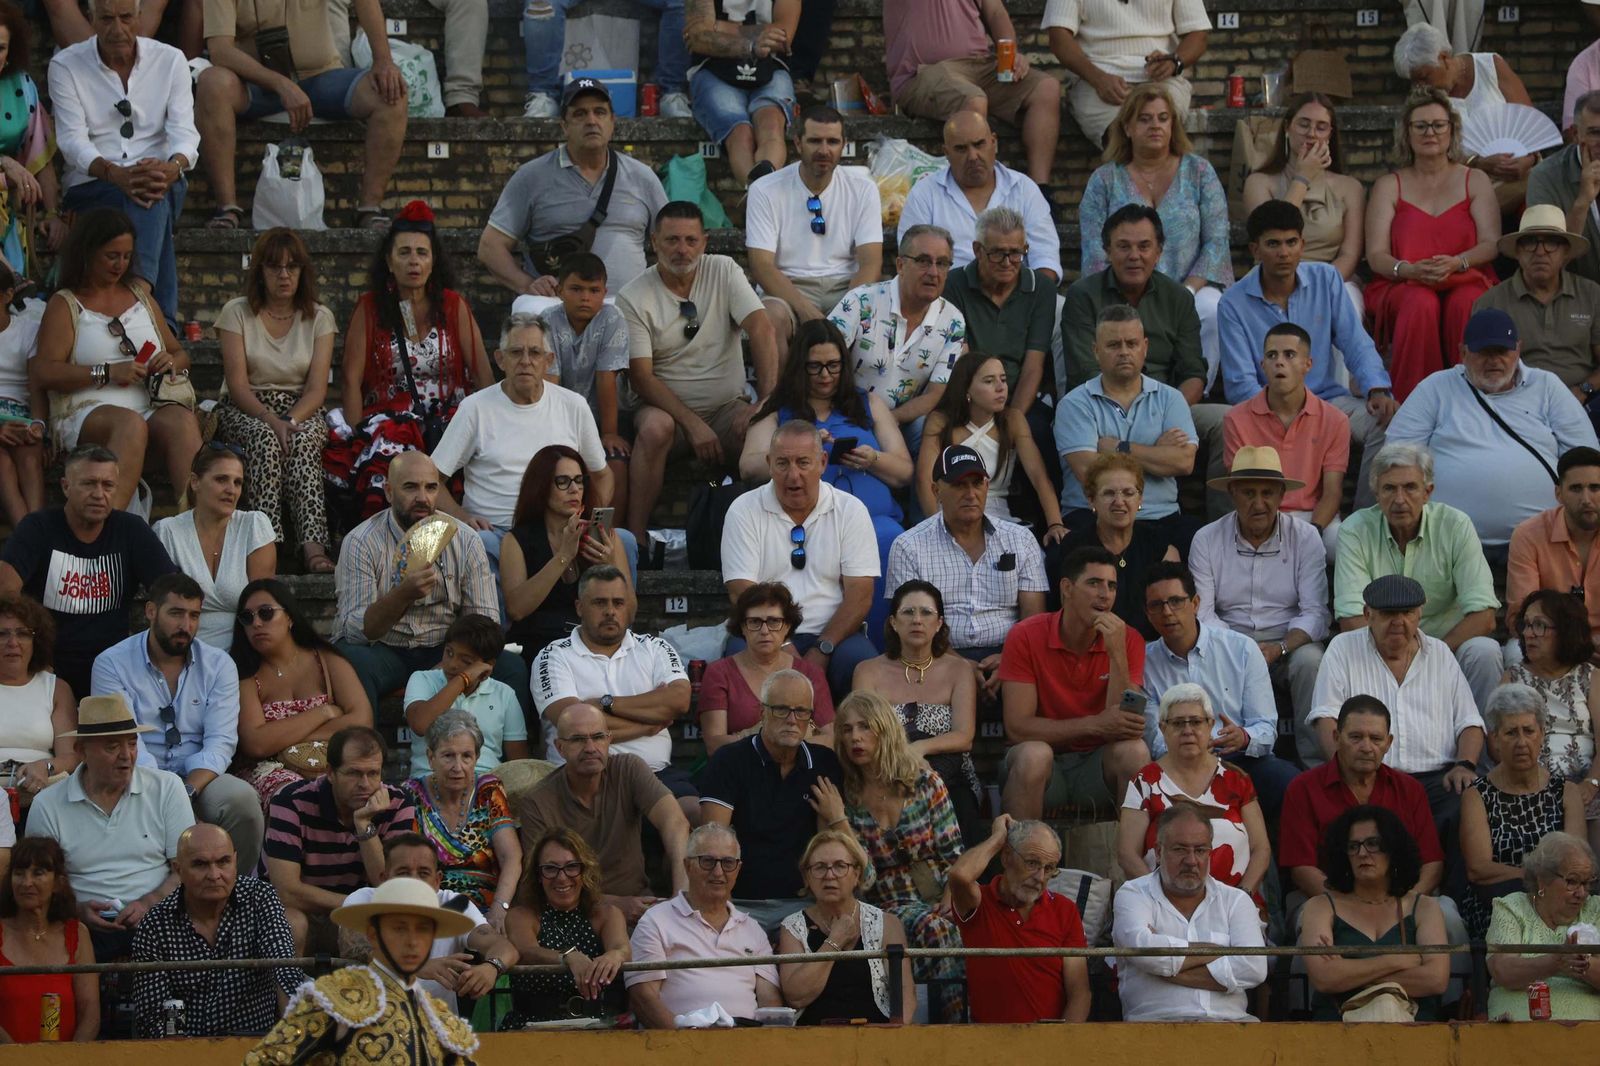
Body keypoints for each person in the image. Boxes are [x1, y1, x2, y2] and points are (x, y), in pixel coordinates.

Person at [618, 201, 779, 544]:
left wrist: (765, 402)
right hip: (668, 414)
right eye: (672, 240)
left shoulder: (724, 270)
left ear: (705, 242)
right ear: (654, 242)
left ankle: (769, 538)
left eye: (691, 240)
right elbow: (641, 377)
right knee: (654, 428)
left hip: (727, 408)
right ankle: (635, 539)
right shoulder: (632, 296)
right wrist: (692, 424)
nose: (682, 249)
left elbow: (762, 329)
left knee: (765, 437)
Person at [1217, 205, 1396, 513]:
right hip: (1269, 409)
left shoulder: (1326, 279)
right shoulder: (1232, 303)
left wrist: (1376, 388)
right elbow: (1240, 384)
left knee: (1387, 424)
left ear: (1302, 244)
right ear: (1255, 249)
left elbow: (1356, 343)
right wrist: (1283, 414)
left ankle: (1367, 523)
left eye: (1291, 242)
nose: (1284, 253)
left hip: (1329, 403)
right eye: (1273, 244)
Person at [328, 202, 495, 520]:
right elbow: (351, 379)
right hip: (389, 417)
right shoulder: (370, 307)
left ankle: (453, 535)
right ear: (389, 262)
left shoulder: (453, 305)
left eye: (422, 252)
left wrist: (491, 426)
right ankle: (384, 541)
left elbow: (482, 374)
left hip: (449, 416)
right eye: (404, 253)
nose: (414, 261)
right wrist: (357, 437)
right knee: (386, 450)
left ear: (434, 261)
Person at [89, 572, 263, 874]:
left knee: (242, 801)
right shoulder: (112, 663)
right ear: (151, 611)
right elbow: (125, 742)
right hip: (135, 776)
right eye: (176, 613)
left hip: (200, 778)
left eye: (194, 615)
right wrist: (169, 794)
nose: (186, 626)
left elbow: (221, 742)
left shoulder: (219, 664)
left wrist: (188, 791)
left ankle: (239, 894)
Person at [330, 450, 524, 720]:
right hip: (387, 650)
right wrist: (402, 595)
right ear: (388, 492)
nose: (422, 498)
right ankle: (365, 754)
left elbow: (485, 621)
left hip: (448, 646)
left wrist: (454, 659)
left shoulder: (466, 540)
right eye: (410, 487)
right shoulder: (361, 541)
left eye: (431, 487)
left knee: (511, 667)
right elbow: (356, 631)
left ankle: (505, 759)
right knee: (350, 660)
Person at [809, 691, 966, 1022]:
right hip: (882, 907)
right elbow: (863, 880)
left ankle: (946, 1025)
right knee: (933, 930)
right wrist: (838, 820)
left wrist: (951, 904)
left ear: (885, 730)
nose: (855, 737)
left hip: (939, 900)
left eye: (865, 727)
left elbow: (954, 855)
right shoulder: (844, 800)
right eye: (847, 729)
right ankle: (943, 1022)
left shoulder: (924, 782)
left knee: (946, 928)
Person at [1386, 307, 1598, 551]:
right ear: (1462, 352)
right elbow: (1396, 457)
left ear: (1518, 349)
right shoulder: (1436, 387)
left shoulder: (1547, 386)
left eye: (1502, 351)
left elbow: (1587, 458)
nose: (1494, 360)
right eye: (1484, 352)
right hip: (1448, 543)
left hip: (1543, 543)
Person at [30, 209, 200, 510]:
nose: (120, 264)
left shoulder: (141, 296)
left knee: (182, 421)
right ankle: (111, 532)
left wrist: (169, 362)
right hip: (85, 411)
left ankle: (199, 524)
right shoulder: (66, 303)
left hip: (148, 405)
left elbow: (180, 352)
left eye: (126, 256)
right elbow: (43, 372)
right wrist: (106, 373)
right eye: (111, 256)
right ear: (89, 252)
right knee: (130, 425)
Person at [430, 311, 621, 571]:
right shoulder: (475, 408)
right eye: (516, 352)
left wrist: (593, 522)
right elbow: (432, 481)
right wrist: (463, 518)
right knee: (479, 543)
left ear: (548, 361)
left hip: (562, 532)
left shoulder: (573, 406)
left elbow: (603, 475)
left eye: (535, 353)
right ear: (500, 359)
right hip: (497, 532)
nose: (525, 361)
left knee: (626, 544)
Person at [194, 0, 407, 231]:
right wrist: (281, 84)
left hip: (321, 75)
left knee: (391, 94)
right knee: (212, 83)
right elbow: (220, 51)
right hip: (256, 82)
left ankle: (370, 208)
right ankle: (227, 208)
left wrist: (383, 60)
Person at [740, 318, 914, 599]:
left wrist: (873, 459)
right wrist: (802, 449)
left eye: (834, 365)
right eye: (815, 366)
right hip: (803, 523)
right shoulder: (776, 407)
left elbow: (905, 472)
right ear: (799, 367)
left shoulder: (867, 403)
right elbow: (748, 467)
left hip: (872, 520)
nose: (825, 375)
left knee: (889, 538)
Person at [47, 0, 197, 326]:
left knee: (149, 183)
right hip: (93, 184)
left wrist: (173, 166)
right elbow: (72, 141)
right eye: (107, 19)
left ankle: (138, 302)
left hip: (162, 177)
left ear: (140, 17)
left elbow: (185, 134)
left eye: (126, 18)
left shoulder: (170, 60)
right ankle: (156, 317)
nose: (118, 29)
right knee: (149, 197)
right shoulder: (66, 64)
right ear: (90, 19)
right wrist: (116, 174)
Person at [1078, 85, 1231, 386]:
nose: (1155, 125)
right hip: (1123, 288)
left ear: (1173, 124)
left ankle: (1198, 392)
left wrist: (1187, 290)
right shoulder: (1105, 179)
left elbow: (1217, 240)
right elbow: (1095, 249)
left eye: (1163, 118)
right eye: (1145, 119)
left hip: (1192, 287)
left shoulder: (1199, 171)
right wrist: (1123, 289)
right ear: (1128, 127)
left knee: (1212, 310)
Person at [1310, 575, 1486, 834]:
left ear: (1420, 613)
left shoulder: (1440, 652)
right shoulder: (1342, 648)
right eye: (1388, 613)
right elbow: (1326, 718)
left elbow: (1469, 722)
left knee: (1468, 809)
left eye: (1407, 612)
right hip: (1372, 778)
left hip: (1438, 780)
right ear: (1368, 614)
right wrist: (1347, 774)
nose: (1398, 622)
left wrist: (1465, 765)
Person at [1334, 443, 1504, 710]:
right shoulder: (1355, 530)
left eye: (1410, 487)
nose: (1400, 499)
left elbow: (1484, 615)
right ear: (1376, 493)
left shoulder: (1455, 525)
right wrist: (1393, 653)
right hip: (1380, 646)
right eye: (1389, 488)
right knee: (1345, 650)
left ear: (1428, 492)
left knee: (1485, 651)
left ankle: (1480, 751)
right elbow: (1351, 617)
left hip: (1447, 645)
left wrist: (1431, 655)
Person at [1189, 446, 1331, 764]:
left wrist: (1278, 647)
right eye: (1248, 492)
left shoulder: (1306, 537)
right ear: (1232, 493)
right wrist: (1244, 650)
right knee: (1204, 653)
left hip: (1288, 645)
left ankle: (1314, 766)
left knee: (1311, 662)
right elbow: (1204, 612)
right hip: (1228, 642)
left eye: (1268, 492)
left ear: (1281, 495)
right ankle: (1219, 762)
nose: (1258, 503)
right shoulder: (1206, 539)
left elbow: (1316, 613)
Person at [26, 693, 194, 960]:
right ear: (81, 751)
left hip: (159, 920)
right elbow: (38, 882)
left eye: (132, 744)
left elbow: (186, 869)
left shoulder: (167, 787)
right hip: (77, 926)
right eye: (112, 747)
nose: (126, 756)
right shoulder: (48, 804)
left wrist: (147, 904)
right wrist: (77, 910)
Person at [242, 877, 479, 1065]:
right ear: (374, 935)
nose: (413, 941)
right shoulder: (329, 1003)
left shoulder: (442, 1022)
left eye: (422, 930)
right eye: (399, 929)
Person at [0, 445, 175, 697]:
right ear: (65, 486)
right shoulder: (39, 528)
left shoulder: (130, 530)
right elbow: (6, 592)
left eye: (108, 485)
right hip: (47, 667)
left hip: (113, 669)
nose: (99, 494)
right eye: (89, 484)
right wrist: (34, 657)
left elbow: (170, 591)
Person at [722, 420, 881, 696]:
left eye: (803, 463)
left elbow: (861, 595)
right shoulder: (743, 510)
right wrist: (783, 647)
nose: (793, 475)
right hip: (764, 630)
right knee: (740, 657)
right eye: (782, 463)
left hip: (834, 635)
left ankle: (847, 739)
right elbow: (741, 591)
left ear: (822, 462)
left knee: (862, 663)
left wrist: (823, 648)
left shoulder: (851, 510)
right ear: (769, 463)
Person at [1363, 88, 1500, 402]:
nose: (1430, 132)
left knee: (1466, 301)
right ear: (1407, 133)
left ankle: (1475, 403)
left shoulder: (1474, 179)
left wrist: (1458, 262)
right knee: (1420, 302)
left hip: (1465, 275)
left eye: (1438, 125)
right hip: (1404, 281)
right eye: (1421, 125)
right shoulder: (1389, 185)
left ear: (1451, 130)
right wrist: (1407, 268)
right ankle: (1413, 404)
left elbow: (1492, 243)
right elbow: (1376, 255)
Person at [212, 229, 337, 572]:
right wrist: (271, 419)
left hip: (301, 407)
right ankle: (267, 547)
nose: (284, 275)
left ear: (302, 272)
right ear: (260, 272)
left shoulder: (319, 316)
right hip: (247, 407)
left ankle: (313, 548)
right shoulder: (236, 312)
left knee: (302, 441)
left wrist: (291, 421)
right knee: (267, 439)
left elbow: (316, 390)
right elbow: (237, 386)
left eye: (292, 267)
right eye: (274, 267)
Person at [482, 79, 670, 300]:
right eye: (580, 114)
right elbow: (490, 246)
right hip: (555, 310)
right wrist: (528, 285)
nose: (591, 121)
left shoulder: (642, 176)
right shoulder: (531, 176)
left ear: (612, 122)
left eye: (599, 112)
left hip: (627, 310)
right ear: (564, 125)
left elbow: (672, 240)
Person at [533, 565, 696, 817]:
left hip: (655, 774)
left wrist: (604, 704)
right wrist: (647, 725)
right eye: (600, 602)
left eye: (618, 603)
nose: (610, 611)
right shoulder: (553, 655)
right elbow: (575, 729)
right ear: (579, 607)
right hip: (581, 778)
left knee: (695, 814)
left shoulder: (655, 647)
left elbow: (679, 700)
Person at [1139, 562, 1298, 818]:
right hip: (1179, 766)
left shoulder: (1242, 649)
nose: (1167, 612)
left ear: (1195, 603)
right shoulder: (1145, 663)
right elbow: (1156, 740)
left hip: (1239, 757)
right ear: (1147, 614)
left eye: (1176, 601)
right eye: (1156, 605)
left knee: (1290, 784)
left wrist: (1244, 737)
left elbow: (1266, 728)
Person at [1000, 545, 1148, 818]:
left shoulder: (1128, 639)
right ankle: (1021, 856)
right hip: (1043, 767)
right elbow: (1017, 728)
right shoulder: (1025, 635)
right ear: (1067, 588)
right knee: (1034, 755)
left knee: (1134, 752)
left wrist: (1116, 653)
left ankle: (1132, 858)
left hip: (1095, 767)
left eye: (1112, 586)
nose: (1105, 594)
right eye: (1094, 583)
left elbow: (1122, 725)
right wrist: (1095, 725)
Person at [887, 447, 1047, 694]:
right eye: (959, 485)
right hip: (937, 655)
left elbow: (1033, 618)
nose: (971, 494)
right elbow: (906, 621)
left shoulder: (1021, 539)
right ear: (936, 490)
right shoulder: (909, 545)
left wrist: (1009, 658)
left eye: (977, 483)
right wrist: (956, 663)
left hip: (1011, 653)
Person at [514, 703, 689, 924]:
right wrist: (611, 904)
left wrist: (681, 896)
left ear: (609, 740)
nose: (590, 747)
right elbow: (542, 883)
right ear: (560, 748)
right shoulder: (537, 801)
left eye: (598, 737)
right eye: (578, 739)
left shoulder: (629, 769)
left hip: (639, 910)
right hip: (571, 916)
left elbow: (675, 823)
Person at [130, 823, 304, 1038]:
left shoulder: (260, 899)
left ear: (235, 861)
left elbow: (284, 970)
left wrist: (293, 1039)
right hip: (188, 1048)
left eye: (223, 862)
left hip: (254, 1045)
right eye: (200, 864)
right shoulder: (156, 926)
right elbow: (161, 1012)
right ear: (179, 870)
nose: (214, 875)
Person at [699, 669, 842, 922]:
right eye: (781, 709)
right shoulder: (729, 761)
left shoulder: (824, 763)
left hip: (804, 903)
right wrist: (724, 912)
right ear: (762, 712)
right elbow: (713, 841)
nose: (791, 719)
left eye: (801, 711)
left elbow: (826, 842)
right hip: (741, 905)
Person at [264, 726, 417, 954]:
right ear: (330, 773)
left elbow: (389, 885)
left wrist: (364, 825)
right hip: (301, 912)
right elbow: (286, 891)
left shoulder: (398, 803)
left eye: (373, 773)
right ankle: (289, 990)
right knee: (291, 923)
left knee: (366, 929)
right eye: (354, 773)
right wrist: (357, 904)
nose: (365, 784)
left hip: (354, 917)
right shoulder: (290, 802)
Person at [1279, 695, 1446, 900]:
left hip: (1402, 899)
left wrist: (1407, 902)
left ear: (1389, 742)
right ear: (1336, 737)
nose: (1367, 747)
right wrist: (1352, 909)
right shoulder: (1303, 789)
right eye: (1356, 737)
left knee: (1449, 918)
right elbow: (1302, 869)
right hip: (1327, 900)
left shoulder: (1410, 789)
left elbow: (1432, 863)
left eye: (1376, 739)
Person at [1111, 805, 1268, 1022]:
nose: (1191, 860)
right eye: (1180, 849)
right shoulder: (1133, 894)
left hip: (1231, 1029)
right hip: (1153, 1033)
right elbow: (1141, 949)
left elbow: (1255, 968)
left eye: (1200, 850)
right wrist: (1219, 951)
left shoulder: (1236, 900)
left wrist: (1162, 966)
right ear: (1158, 852)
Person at [1055, 304, 1198, 542]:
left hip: (1160, 517)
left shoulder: (1170, 398)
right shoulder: (1074, 404)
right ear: (1096, 351)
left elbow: (1184, 462)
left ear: (1145, 347)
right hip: (1093, 517)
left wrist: (1120, 448)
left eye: (1131, 343)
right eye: (1113, 345)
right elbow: (1090, 473)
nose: (1124, 352)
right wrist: (1158, 453)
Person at [853, 580, 983, 843]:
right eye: (908, 612)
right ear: (893, 622)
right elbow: (862, 731)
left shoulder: (959, 670)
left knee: (957, 799)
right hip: (885, 772)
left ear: (939, 624)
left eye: (926, 613)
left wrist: (920, 748)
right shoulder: (867, 670)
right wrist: (902, 757)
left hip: (949, 776)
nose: (917, 620)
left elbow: (964, 735)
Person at [337, 832, 519, 1016]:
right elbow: (353, 947)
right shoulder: (363, 899)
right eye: (403, 873)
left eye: (423, 873)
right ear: (385, 879)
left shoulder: (453, 905)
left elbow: (504, 947)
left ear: (437, 880)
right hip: (373, 1028)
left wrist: (491, 967)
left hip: (438, 1032)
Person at [230, 579, 374, 813]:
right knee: (296, 796)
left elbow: (362, 719)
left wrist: (283, 738)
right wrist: (324, 713)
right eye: (247, 617)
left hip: (328, 763)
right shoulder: (244, 674)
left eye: (266, 613)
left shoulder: (325, 660)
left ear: (289, 617)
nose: (256, 623)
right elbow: (256, 744)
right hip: (267, 770)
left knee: (361, 790)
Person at [880, 0, 1061, 184]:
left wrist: (1010, 53)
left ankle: (1040, 190)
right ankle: (977, 194)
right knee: (974, 100)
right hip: (923, 72)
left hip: (979, 65)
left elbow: (996, 12)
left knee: (1046, 89)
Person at [1118, 683, 1270, 902]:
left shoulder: (1237, 779)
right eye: (1178, 723)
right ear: (1163, 729)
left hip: (1234, 905)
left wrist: (1241, 899)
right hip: (1162, 905)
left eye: (1196, 722)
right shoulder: (1145, 782)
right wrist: (1162, 902)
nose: (1187, 730)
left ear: (1210, 725)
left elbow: (1261, 849)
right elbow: (1127, 854)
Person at [748, 105, 882, 351]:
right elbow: (761, 265)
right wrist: (807, 312)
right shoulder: (765, 188)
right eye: (815, 141)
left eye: (832, 141)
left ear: (843, 145)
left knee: (879, 317)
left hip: (845, 286)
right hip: (787, 286)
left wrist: (844, 313)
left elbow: (871, 262)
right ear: (798, 143)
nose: (824, 150)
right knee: (769, 317)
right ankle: (776, 392)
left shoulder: (863, 187)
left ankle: (857, 391)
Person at [1299, 804, 1450, 1021]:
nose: (1362, 853)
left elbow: (1435, 979)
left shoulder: (1424, 907)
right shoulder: (1320, 906)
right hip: (1337, 1032)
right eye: (1353, 846)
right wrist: (1397, 960)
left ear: (1393, 848)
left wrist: (1348, 973)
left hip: (1414, 1034)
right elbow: (1324, 979)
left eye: (1373, 844)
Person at [828, 225, 969, 452]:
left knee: (933, 428)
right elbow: (821, 360)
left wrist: (889, 421)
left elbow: (935, 392)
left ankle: (923, 488)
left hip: (902, 421)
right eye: (924, 261)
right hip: (845, 415)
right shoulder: (860, 301)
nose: (934, 272)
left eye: (942, 263)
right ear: (901, 265)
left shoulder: (953, 321)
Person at [1460, 684, 1585, 939]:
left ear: (1542, 733)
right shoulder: (1476, 795)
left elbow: (1577, 863)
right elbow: (1479, 869)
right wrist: (1538, 878)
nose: (1521, 742)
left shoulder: (1567, 792)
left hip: (1561, 903)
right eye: (1510, 733)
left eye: (1528, 731)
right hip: (1497, 903)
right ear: (1494, 738)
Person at [626, 823, 781, 1027]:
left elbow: (769, 1000)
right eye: (707, 861)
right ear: (687, 865)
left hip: (746, 1045)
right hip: (681, 1046)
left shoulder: (752, 929)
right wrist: (684, 1046)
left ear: (738, 869)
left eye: (727, 863)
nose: (718, 872)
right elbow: (644, 998)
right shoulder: (655, 921)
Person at [1221, 323, 1352, 554]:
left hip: (1315, 517)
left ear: (1307, 364)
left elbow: (1332, 492)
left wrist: (1313, 531)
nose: (1279, 362)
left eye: (1289, 355)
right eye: (1272, 355)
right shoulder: (1236, 419)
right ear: (1263, 365)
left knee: (1347, 545)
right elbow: (1243, 489)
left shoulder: (1335, 420)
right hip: (1259, 513)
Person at [948, 814, 1091, 1023]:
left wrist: (1062, 1045)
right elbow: (959, 875)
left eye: (1049, 868)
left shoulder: (1064, 910)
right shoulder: (980, 902)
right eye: (1032, 863)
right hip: (989, 1044)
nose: (1040, 878)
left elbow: (1080, 994)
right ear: (1006, 857)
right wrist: (998, 837)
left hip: (1048, 1043)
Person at [502, 444, 634, 669]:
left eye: (579, 480)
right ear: (541, 486)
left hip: (595, 645)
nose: (574, 489)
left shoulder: (605, 537)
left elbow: (629, 614)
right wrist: (563, 556)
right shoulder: (517, 541)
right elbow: (517, 609)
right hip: (541, 647)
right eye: (563, 482)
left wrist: (609, 566)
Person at [940, 210, 1059, 453]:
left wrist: (1012, 417)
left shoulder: (1041, 289)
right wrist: (984, 416)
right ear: (977, 250)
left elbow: (1033, 364)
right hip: (969, 396)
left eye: (1016, 253)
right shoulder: (953, 284)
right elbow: (962, 359)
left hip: (1020, 395)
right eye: (997, 253)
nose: (1007, 262)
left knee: (1039, 432)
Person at [1242, 93, 1368, 311]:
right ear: (1288, 128)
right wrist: (1302, 178)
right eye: (1303, 124)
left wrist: (1319, 285)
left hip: (1332, 280)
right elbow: (1274, 231)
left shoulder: (1350, 188)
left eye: (1321, 127)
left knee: (1347, 304)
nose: (1311, 134)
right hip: (1273, 277)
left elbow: (1350, 254)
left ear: (1330, 135)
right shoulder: (1259, 182)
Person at [776, 829, 915, 1024]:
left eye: (840, 866)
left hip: (876, 1037)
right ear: (807, 877)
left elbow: (904, 992)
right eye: (819, 867)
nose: (829, 875)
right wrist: (835, 940)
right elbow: (796, 996)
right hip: (813, 1039)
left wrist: (894, 1038)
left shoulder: (887, 923)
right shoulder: (792, 927)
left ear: (856, 873)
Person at [899, 112, 1062, 279]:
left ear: (994, 142)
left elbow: (1046, 257)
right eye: (961, 149)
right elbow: (913, 261)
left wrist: (1033, 299)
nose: (973, 156)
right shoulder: (924, 194)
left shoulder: (1024, 188)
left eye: (979, 144)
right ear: (946, 152)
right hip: (947, 298)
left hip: (1018, 297)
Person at [917, 351, 1065, 530]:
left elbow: (1039, 477)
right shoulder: (941, 421)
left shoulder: (1013, 420)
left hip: (999, 514)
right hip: (950, 512)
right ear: (966, 389)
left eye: (1003, 379)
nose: (1000, 387)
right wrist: (939, 528)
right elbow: (925, 480)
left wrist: (1055, 524)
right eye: (989, 381)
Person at [1393, 23, 1537, 199]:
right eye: (1414, 81)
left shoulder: (1491, 67)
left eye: (1424, 77)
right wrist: (1478, 163)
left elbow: (1531, 125)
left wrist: (1528, 160)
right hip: (1463, 188)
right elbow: (1426, 158)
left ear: (1444, 58)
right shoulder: (1424, 98)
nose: (1420, 86)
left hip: (1519, 178)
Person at [502, 826, 629, 1026]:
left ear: (584, 870)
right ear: (538, 875)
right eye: (551, 869)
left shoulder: (607, 914)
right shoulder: (521, 915)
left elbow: (621, 947)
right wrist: (567, 957)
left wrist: (615, 955)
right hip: (534, 1027)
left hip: (599, 1026)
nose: (562, 877)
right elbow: (525, 951)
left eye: (571, 867)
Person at [1504, 589, 1600, 852]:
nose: (1528, 633)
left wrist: (1591, 785)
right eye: (1526, 624)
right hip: (1530, 786)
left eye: (1540, 625)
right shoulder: (1513, 679)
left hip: (1588, 787)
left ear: (1566, 631)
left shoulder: (1591, 678)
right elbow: (1497, 742)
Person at [152, 445, 275, 650]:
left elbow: (262, 607)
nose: (231, 490)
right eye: (221, 479)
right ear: (195, 482)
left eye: (237, 482)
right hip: (184, 649)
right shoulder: (168, 531)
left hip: (245, 649)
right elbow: (166, 608)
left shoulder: (254, 525)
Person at [402, 710, 522, 916]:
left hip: (487, 906)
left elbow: (510, 856)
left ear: (476, 757)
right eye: (448, 756)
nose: (458, 767)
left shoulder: (488, 791)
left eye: (466, 756)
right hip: (432, 906)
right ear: (431, 758)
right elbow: (409, 863)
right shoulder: (412, 794)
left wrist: (500, 909)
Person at [537, 257, 632, 518]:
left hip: (603, 417)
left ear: (605, 292)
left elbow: (606, 378)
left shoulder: (612, 319)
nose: (585, 298)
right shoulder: (547, 320)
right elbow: (550, 384)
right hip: (560, 419)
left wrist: (609, 432)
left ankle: (610, 535)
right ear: (559, 292)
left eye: (594, 291)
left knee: (615, 462)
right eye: (576, 289)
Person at [1043, 0, 1209, 148]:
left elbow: (1198, 34)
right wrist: (1098, 79)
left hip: (1162, 79)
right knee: (1123, 141)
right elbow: (1059, 37)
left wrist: (1174, 62)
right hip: (1095, 78)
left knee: (1160, 133)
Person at [1474, 206, 1600, 395]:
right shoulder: (1491, 302)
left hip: (1585, 397)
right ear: (1517, 251)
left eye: (1552, 242)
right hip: (1515, 400)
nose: (1540, 252)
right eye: (1530, 242)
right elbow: (1481, 369)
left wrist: (1583, 391)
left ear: (1565, 251)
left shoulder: (1592, 294)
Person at [1055, 452, 1179, 639]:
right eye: (1109, 493)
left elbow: (1173, 612)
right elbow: (1069, 617)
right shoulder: (1074, 547)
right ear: (1091, 500)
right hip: (1092, 651)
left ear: (1140, 499)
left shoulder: (1159, 545)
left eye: (1129, 493)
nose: (1119, 502)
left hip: (1151, 652)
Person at [700, 584, 833, 754]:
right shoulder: (719, 672)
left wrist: (749, 738)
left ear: (787, 626)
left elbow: (831, 739)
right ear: (742, 627)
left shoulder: (810, 673)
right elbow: (715, 745)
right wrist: (770, 736)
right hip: (740, 770)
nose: (764, 630)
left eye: (774, 621)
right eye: (755, 622)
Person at [1485, 831, 1600, 1020]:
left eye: (1587, 883)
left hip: (1586, 1036)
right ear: (1542, 879)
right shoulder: (1512, 907)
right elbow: (1502, 970)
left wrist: (1582, 964)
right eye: (1572, 881)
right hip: (1517, 1031)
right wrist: (1556, 962)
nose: (1581, 893)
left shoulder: (1596, 909)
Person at [404, 617, 528, 778]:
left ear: (489, 664)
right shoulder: (423, 679)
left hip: (484, 784)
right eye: (449, 652)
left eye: (466, 661)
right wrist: (464, 678)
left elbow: (518, 761)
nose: (452, 664)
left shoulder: (505, 694)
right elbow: (420, 724)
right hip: (429, 779)